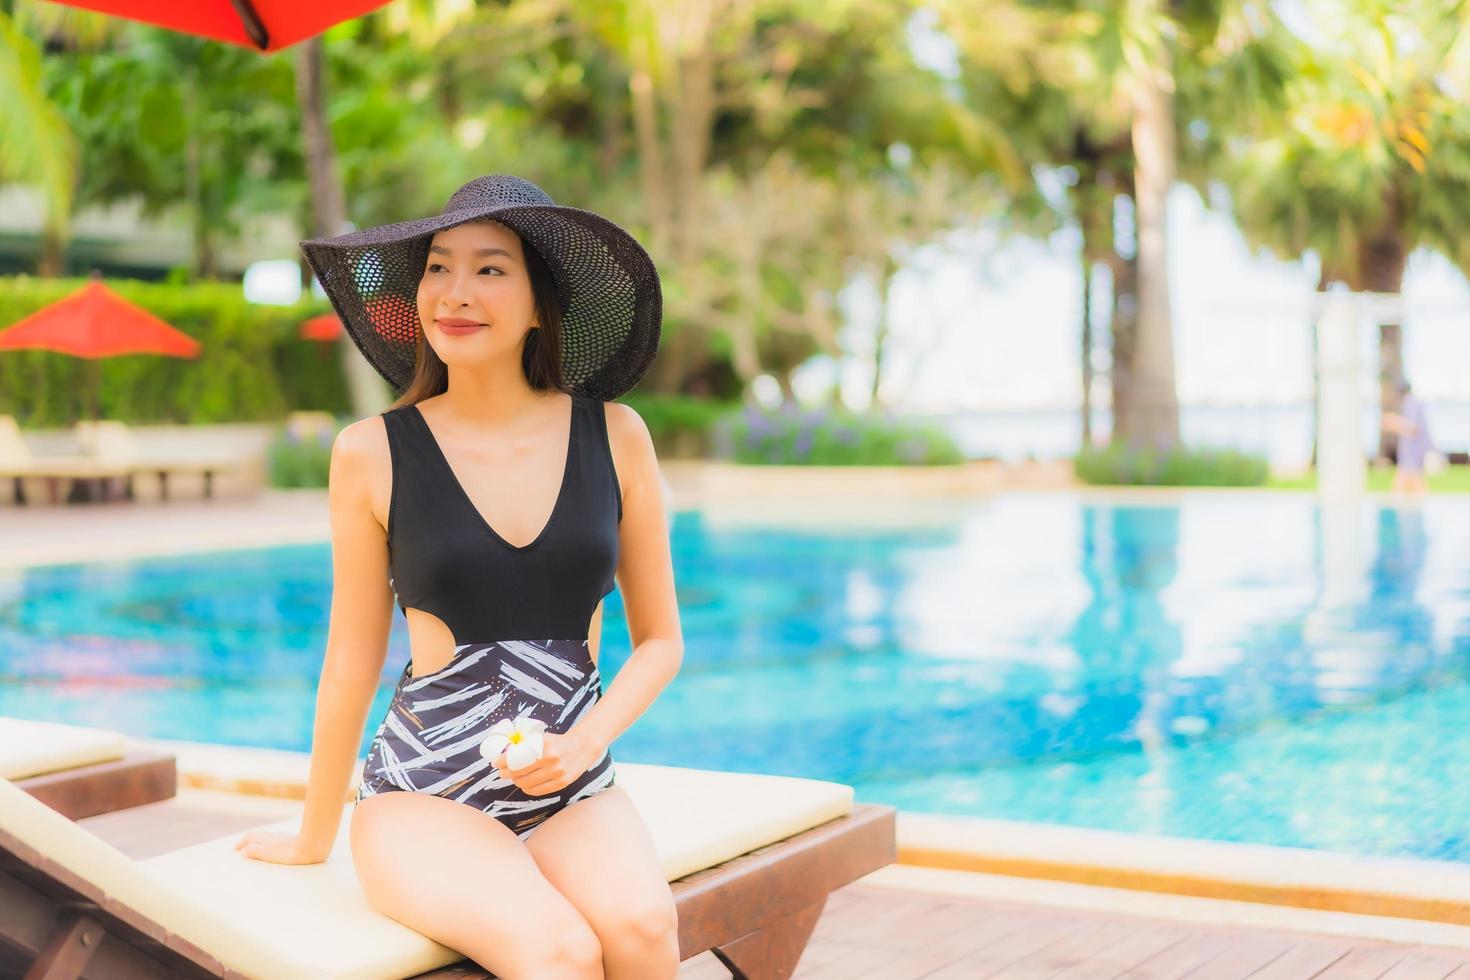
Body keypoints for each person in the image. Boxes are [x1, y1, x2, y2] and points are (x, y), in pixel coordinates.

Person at [233, 175, 682, 979]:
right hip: (424, 793)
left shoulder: (616, 436)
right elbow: (349, 663)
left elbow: (661, 643)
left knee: (645, 929)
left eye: (490, 269)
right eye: (438, 268)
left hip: (571, 782)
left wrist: (584, 745)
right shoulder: (371, 452)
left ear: (542, 304)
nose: (455, 293)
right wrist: (313, 834)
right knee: (561, 952)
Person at [1385, 378, 1438, 495]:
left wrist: (1394, 422)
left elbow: (1413, 429)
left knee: (1409, 485)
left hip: (1413, 453)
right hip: (1411, 455)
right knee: (1406, 484)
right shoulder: (1412, 402)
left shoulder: (1411, 403)